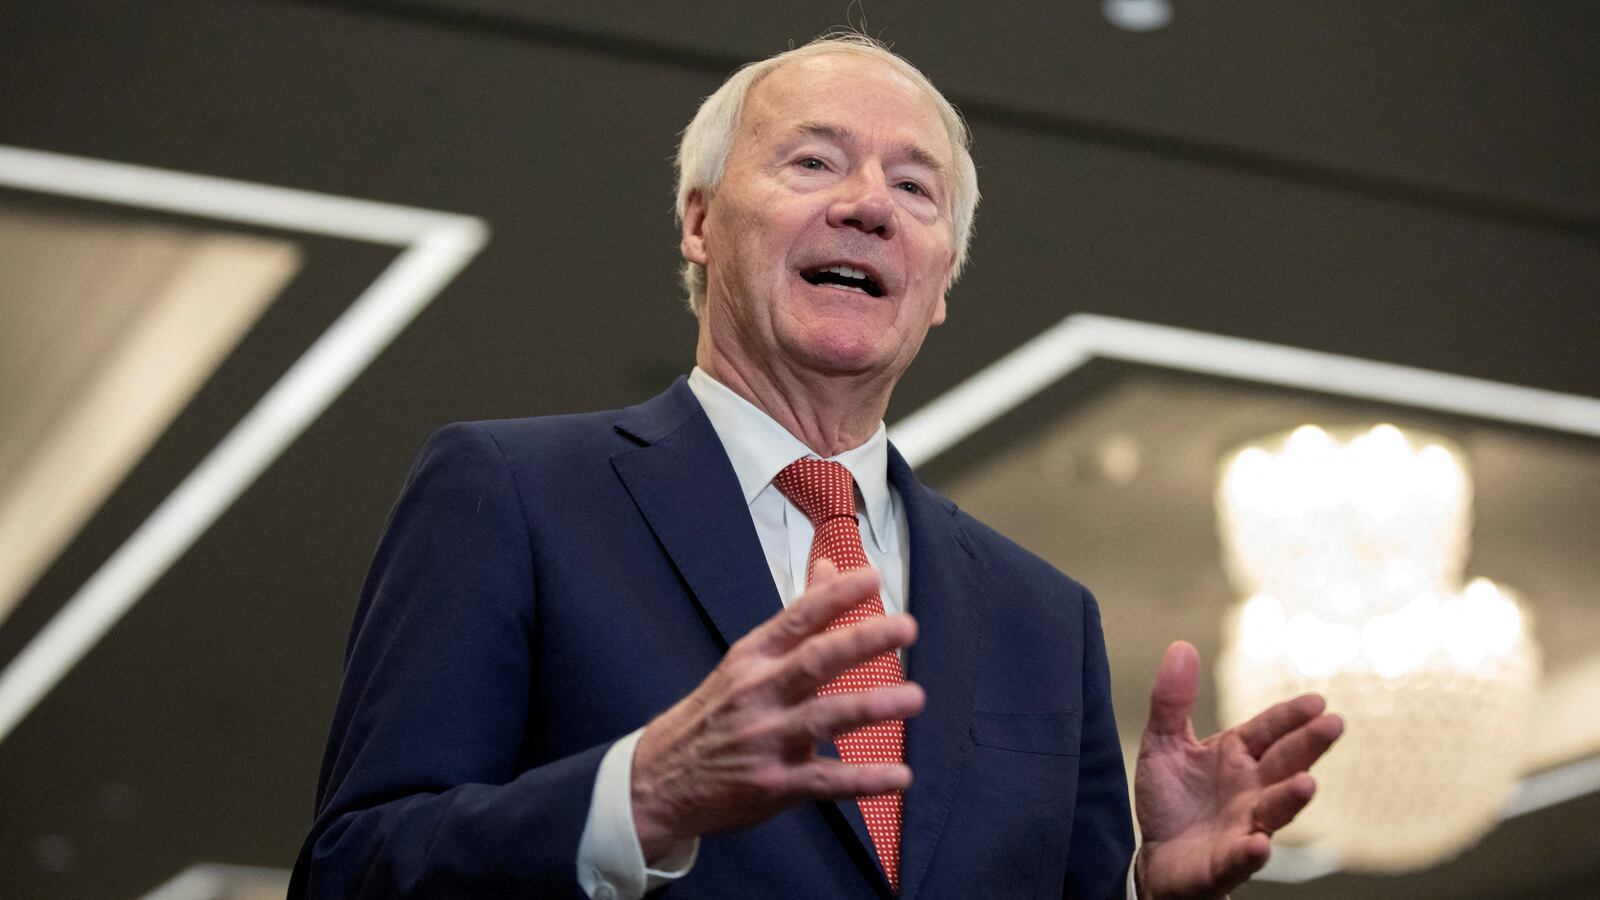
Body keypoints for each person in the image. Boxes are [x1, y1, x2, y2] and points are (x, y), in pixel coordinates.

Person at [290, 33, 1341, 900]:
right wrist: (637, 797)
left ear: (938, 286)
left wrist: (1146, 893)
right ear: (698, 221)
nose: (869, 204)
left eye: (915, 188)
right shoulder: (510, 492)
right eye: (813, 162)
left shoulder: (1043, 616)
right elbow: (349, 876)